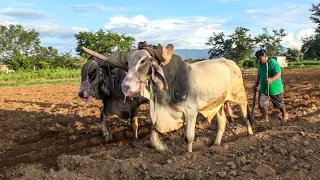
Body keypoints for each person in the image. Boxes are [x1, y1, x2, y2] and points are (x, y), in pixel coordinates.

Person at [253, 49, 288, 123]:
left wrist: (271, 79)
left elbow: (278, 74)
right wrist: (256, 83)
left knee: (279, 104)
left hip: (275, 88)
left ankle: (285, 115)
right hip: (264, 88)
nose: (259, 60)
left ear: (265, 56)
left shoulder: (273, 63)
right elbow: (259, 74)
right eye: (257, 59)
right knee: (262, 105)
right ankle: (265, 118)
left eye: (260, 58)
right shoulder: (259, 64)